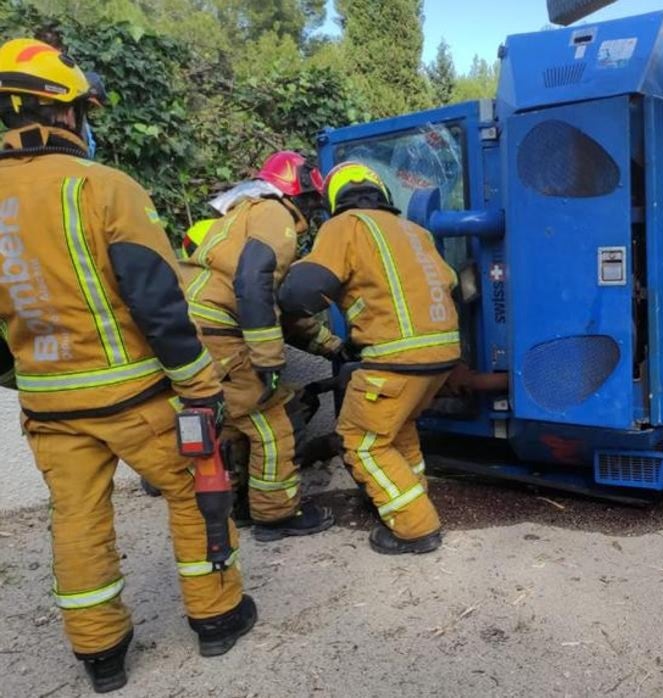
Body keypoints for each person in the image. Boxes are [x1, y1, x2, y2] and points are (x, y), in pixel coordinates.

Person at [0, 38, 254, 692]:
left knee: (77, 521)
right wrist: (201, 384)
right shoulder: (102, 187)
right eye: (84, 110)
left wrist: (24, 376)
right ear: (59, 113)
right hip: (136, 397)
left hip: (50, 408)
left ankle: (102, 654)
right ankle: (218, 617)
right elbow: (158, 303)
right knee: (196, 496)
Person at [278, 162, 460, 555]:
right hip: (442, 354)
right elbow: (454, 284)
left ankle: (415, 528)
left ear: (334, 199)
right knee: (398, 431)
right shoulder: (415, 232)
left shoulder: (346, 226)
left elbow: (301, 293)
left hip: (394, 357)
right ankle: (411, 495)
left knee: (361, 442)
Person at [179, 151, 339, 540]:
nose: (310, 215)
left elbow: (275, 306)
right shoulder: (273, 214)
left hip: (196, 330)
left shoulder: (239, 216)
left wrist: (330, 346)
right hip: (220, 334)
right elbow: (254, 284)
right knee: (271, 423)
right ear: (295, 189)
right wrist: (267, 357)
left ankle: (242, 505)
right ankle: (276, 515)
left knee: (234, 421)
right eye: (311, 202)